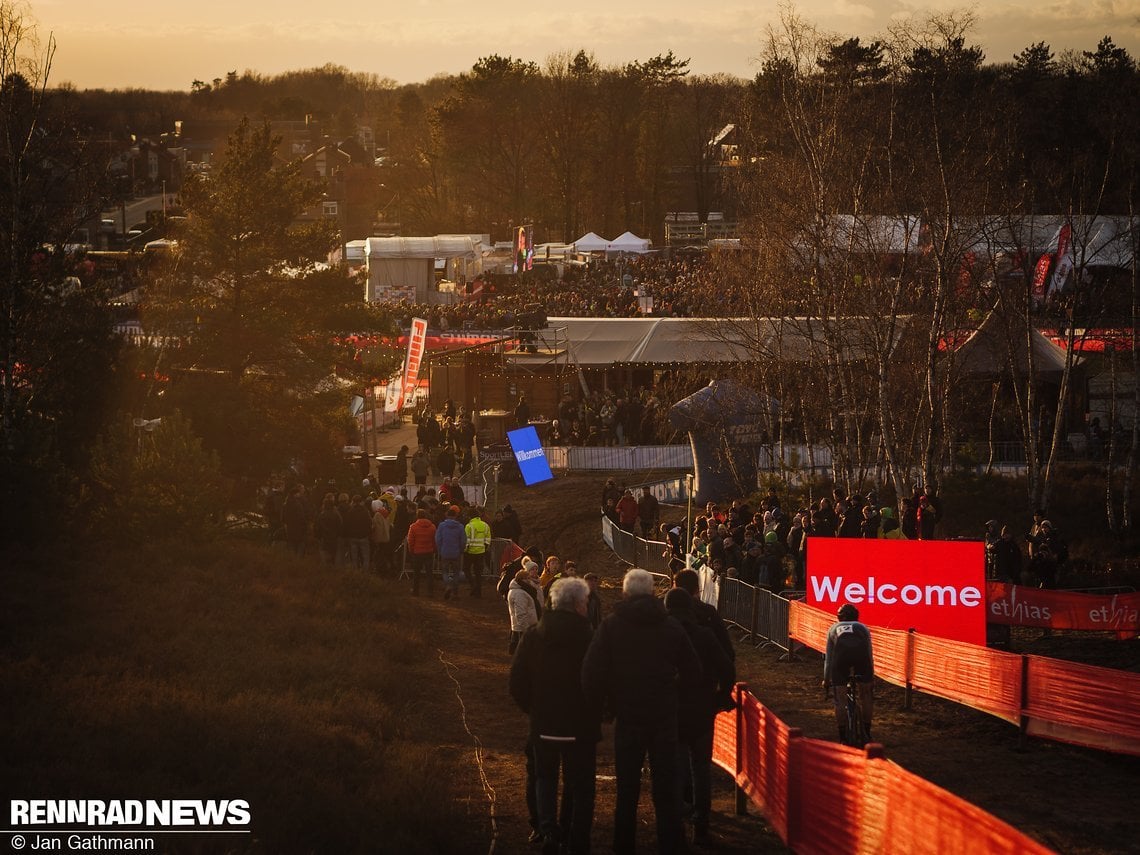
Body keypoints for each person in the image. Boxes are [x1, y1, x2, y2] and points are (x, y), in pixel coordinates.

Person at [582, 568, 701, 855]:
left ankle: (623, 845)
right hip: (663, 716)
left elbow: (591, 672)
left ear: (625, 592)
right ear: (651, 592)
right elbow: (694, 671)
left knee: (627, 788)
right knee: (666, 786)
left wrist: (604, 707)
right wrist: (674, 691)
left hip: (628, 714)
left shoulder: (611, 626)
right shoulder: (670, 626)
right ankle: (671, 844)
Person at [509, 578, 601, 855]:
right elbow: (601, 681)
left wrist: (534, 709)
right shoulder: (591, 638)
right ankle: (577, 837)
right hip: (581, 726)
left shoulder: (534, 635)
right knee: (581, 784)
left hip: (544, 723)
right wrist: (597, 711)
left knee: (544, 777)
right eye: (585, 602)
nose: (587, 606)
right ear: (575, 605)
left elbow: (517, 683)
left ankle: (548, 830)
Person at [663, 587, 735, 845]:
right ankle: (701, 824)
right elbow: (728, 667)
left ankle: (677, 823)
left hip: (672, 710)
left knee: (676, 767)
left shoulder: (662, 635)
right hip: (703, 710)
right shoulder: (704, 634)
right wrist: (720, 697)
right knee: (701, 768)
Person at [823, 603, 875, 744]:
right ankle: (867, 732)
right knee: (866, 696)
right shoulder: (863, 628)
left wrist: (826, 680)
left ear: (840, 617)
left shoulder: (833, 628)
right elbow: (869, 653)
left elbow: (829, 658)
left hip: (840, 663)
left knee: (840, 699)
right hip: (862, 662)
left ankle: (842, 736)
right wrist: (871, 676)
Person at [434, 505, 467, 601]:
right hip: (456, 552)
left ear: (447, 516)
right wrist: (461, 550)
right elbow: (463, 541)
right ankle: (455, 593)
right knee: (456, 573)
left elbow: (438, 539)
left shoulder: (441, 526)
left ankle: (448, 585)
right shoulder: (460, 527)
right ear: (456, 516)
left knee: (445, 572)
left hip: (444, 551)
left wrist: (440, 549)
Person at [508, 563, 541, 654]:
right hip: (523, 628)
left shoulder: (522, 591)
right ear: (522, 580)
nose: (529, 581)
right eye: (527, 578)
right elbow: (520, 613)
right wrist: (526, 629)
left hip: (523, 626)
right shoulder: (520, 593)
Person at [406, 509, 437, 596]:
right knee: (429, 573)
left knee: (416, 573)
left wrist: (411, 551)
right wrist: (434, 549)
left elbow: (410, 541)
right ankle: (430, 592)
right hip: (429, 552)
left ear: (417, 516)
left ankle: (416, 591)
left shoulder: (413, 527)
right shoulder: (432, 527)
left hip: (417, 552)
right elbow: (434, 540)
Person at [463, 506, 491, 597]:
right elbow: (488, 538)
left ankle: (473, 585)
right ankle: (478, 592)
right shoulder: (485, 525)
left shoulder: (469, 526)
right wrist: (485, 547)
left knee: (466, 569)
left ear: (470, 516)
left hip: (470, 552)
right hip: (481, 552)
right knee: (478, 573)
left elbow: (466, 540)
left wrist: (465, 550)